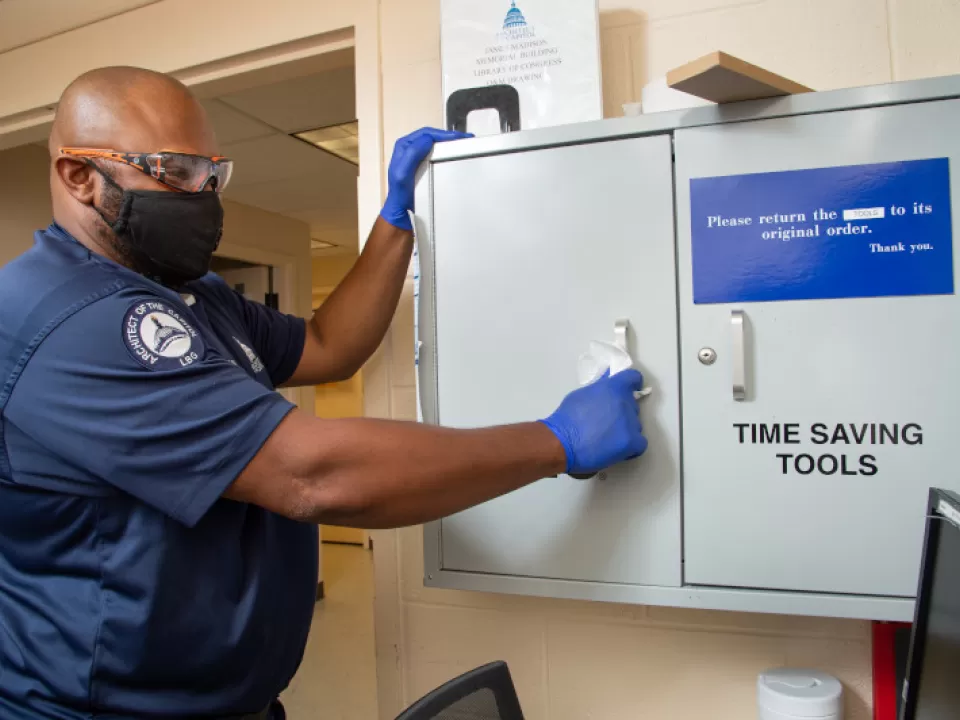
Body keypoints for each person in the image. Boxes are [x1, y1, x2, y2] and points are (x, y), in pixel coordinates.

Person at [0, 67, 647, 719]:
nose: (200, 195)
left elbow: (327, 345)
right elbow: (312, 474)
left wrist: (396, 223)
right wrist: (555, 441)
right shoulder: (63, 316)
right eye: (173, 171)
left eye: (210, 173)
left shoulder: (195, 297)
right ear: (79, 177)